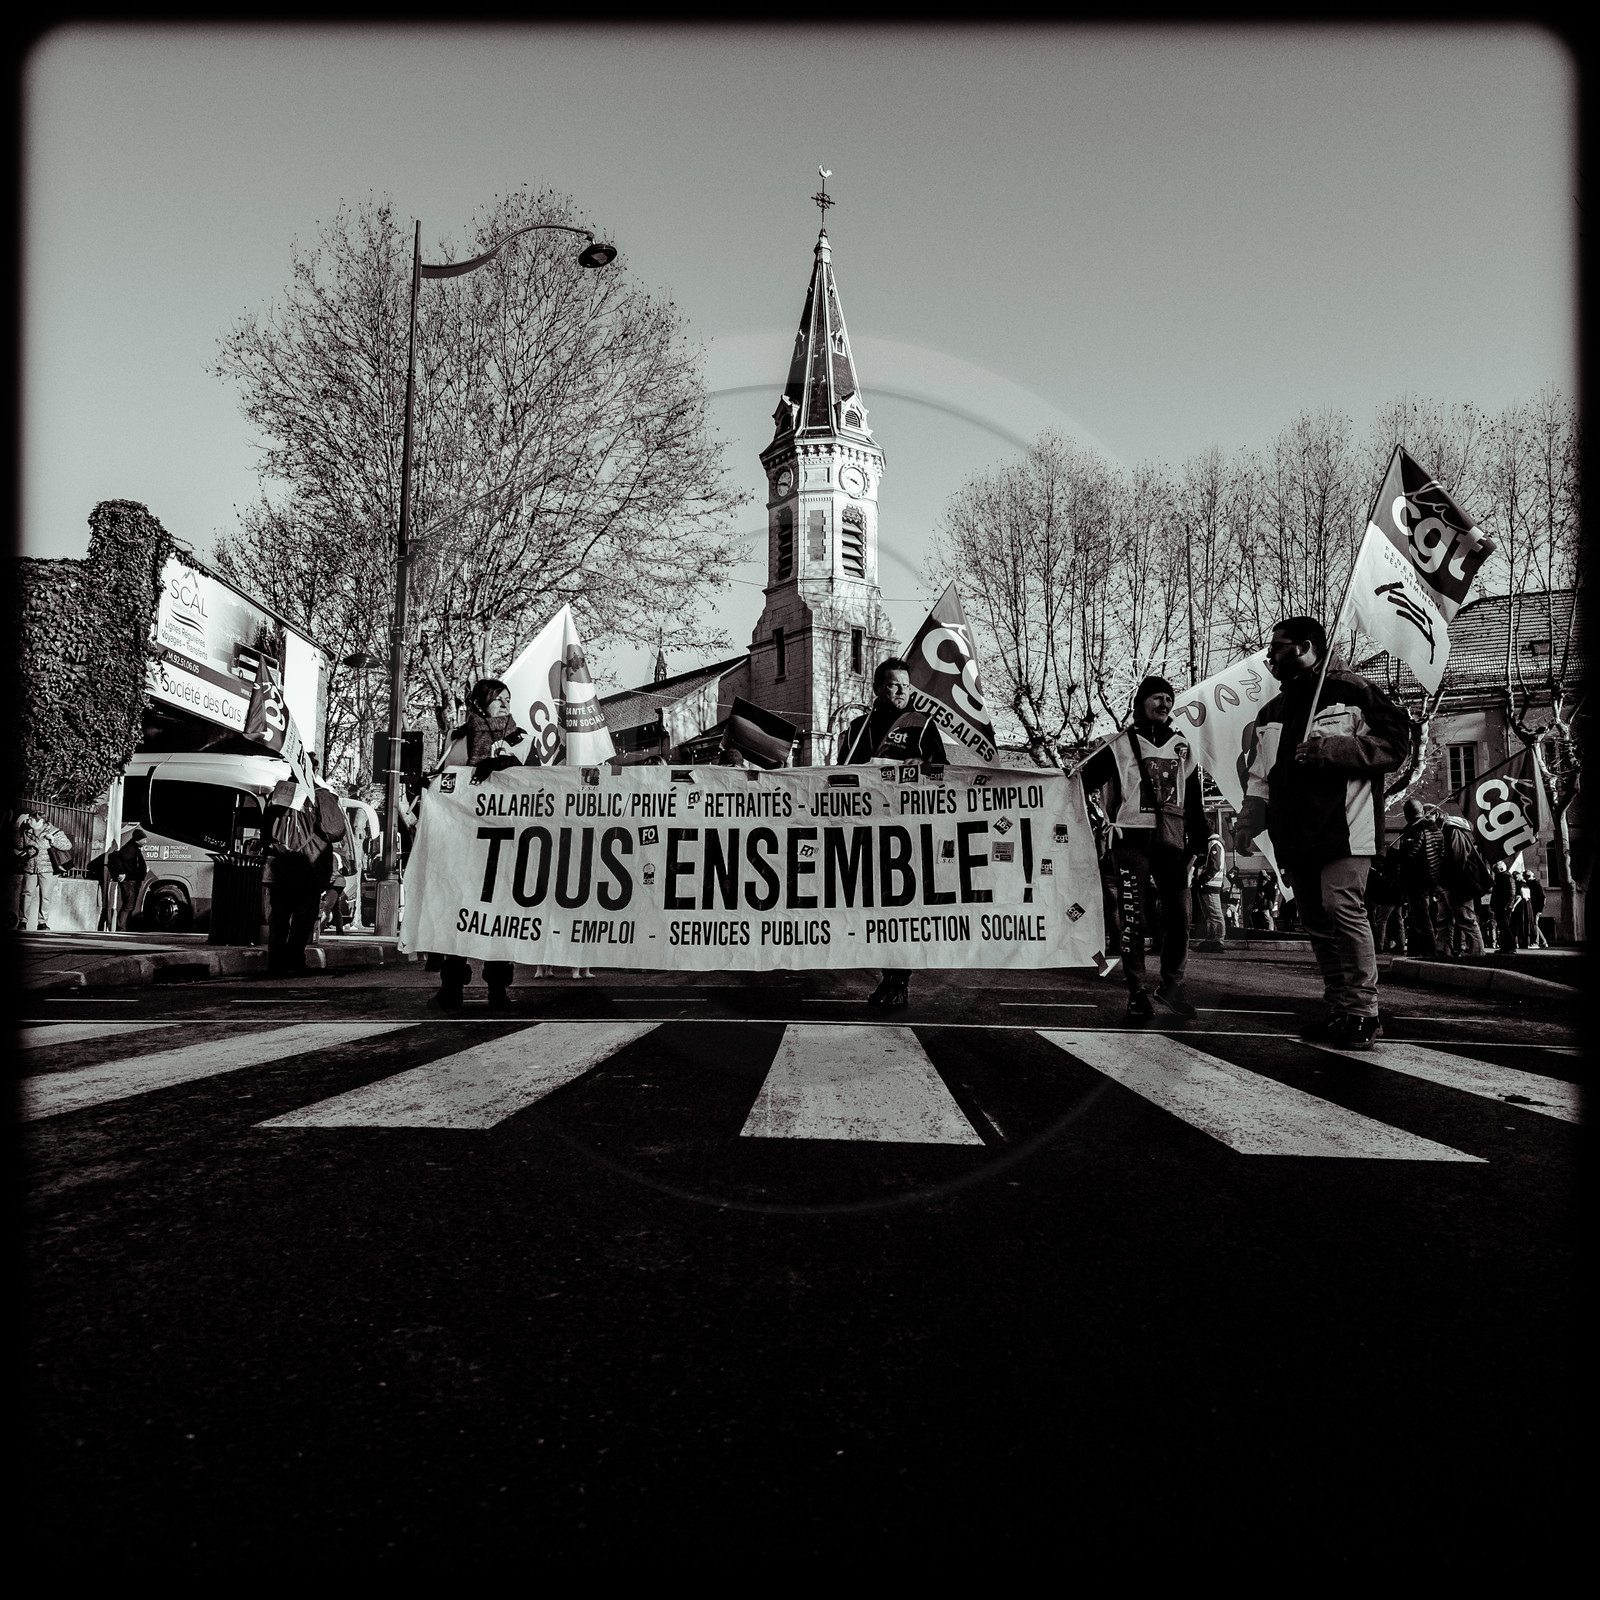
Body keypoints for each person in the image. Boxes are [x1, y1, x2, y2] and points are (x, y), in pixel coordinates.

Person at [1233, 615, 1409, 1048]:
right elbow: (1260, 778)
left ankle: (1364, 1012)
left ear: (1306, 646)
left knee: (1342, 911)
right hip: (1294, 835)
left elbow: (1397, 744)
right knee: (1316, 922)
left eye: (1277, 646)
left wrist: (1338, 749)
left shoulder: (1354, 690)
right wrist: (1248, 821)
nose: (1270, 655)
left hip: (1345, 828)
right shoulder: (1270, 712)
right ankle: (1340, 1009)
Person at [1080, 675, 1212, 1021]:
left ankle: (1171, 985)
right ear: (1141, 703)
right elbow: (1080, 784)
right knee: (1133, 920)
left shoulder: (1183, 746)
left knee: (1180, 918)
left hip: (1171, 842)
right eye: (1157, 698)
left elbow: (1194, 800)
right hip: (1130, 841)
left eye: (1169, 699)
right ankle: (1137, 991)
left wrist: (1201, 840)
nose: (1164, 704)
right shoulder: (1117, 744)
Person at [843, 657, 949, 1009]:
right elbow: (840, 775)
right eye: (893, 684)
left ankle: (898, 980)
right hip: (868, 831)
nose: (902, 690)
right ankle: (889, 975)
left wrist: (924, 766)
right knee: (876, 908)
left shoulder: (922, 724)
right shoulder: (859, 727)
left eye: (906, 684)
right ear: (877, 688)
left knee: (901, 907)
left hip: (908, 833)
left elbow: (944, 773)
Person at [262, 772, 348, 978]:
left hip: (279, 867)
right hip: (308, 867)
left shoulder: (277, 793)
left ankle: (275, 962)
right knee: (303, 919)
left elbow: (266, 830)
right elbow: (335, 830)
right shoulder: (319, 795)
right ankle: (294, 960)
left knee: (279, 918)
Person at [1393, 798, 1445, 959]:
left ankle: (1428, 952)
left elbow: (1410, 854)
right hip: (1431, 877)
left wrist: (1393, 854)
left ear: (1407, 814)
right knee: (1421, 916)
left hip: (1416, 878)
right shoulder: (1436, 829)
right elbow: (1441, 854)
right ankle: (1417, 950)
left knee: (1421, 917)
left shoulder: (1415, 829)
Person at [1436, 812, 1489, 957]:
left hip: (1456, 885)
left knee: (1465, 919)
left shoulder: (1451, 831)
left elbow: (1457, 859)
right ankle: (1444, 951)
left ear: (1436, 815)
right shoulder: (1453, 831)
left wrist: (1448, 881)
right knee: (1445, 920)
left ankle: (1477, 952)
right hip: (1452, 884)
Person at [12, 810, 73, 931]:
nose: (28, 821)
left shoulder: (54, 831)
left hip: (48, 868)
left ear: (40, 821)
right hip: (30, 867)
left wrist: (53, 840)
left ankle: (42, 922)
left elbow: (67, 845)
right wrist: (16, 828)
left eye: (31, 819)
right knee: (26, 894)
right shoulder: (27, 832)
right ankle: (23, 921)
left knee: (45, 896)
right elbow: (19, 845)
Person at [103, 827, 149, 931]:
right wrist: (122, 872)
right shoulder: (130, 849)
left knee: (130, 904)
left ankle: (125, 926)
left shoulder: (134, 848)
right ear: (138, 840)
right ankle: (121, 927)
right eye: (144, 839)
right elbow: (114, 857)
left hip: (132, 880)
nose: (146, 841)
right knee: (128, 904)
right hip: (129, 881)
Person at [1192, 834, 1227, 951]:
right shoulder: (1212, 844)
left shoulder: (1214, 844)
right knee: (1210, 915)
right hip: (1207, 884)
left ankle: (1217, 941)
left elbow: (1214, 866)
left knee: (1215, 915)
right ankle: (1211, 940)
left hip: (1210, 884)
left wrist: (1202, 880)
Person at [1488, 862, 1516, 954]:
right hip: (1501, 905)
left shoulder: (1505, 878)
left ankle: (1510, 947)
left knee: (1504, 926)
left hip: (1503, 906)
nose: (1494, 873)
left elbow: (1511, 894)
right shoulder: (1505, 878)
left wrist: (1507, 905)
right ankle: (1505, 947)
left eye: (1495, 870)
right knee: (1502, 926)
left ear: (1500, 869)